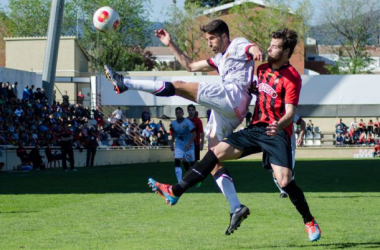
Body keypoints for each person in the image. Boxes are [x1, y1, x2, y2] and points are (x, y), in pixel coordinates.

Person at [147, 28, 321, 242]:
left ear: (286, 51)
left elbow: (291, 112)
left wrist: (279, 124)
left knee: (285, 181)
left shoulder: (292, 77)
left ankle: (309, 220)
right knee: (214, 153)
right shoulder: (262, 69)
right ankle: (175, 191)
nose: (269, 48)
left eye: (274, 46)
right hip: (256, 128)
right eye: (269, 44)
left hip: (276, 134)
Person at [104, 19, 264, 232]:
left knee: (178, 86)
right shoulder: (219, 58)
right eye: (207, 39)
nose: (209, 43)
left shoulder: (236, 45)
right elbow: (189, 66)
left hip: (233, 97)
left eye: (212, 38)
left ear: (225, 36)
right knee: (213, 157)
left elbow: (251, 47)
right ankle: (236, 207)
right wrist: (170, 43)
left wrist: (257, 51)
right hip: (231, 110)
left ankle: (125, 83)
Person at [274, 114, 306, 198]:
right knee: (274, 173)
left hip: (289, 146)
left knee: (288, 171)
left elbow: (302, 123)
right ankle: (283, 191)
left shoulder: (289, 113)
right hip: (275, 146)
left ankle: (291, 189)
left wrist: (301, 137)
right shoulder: (269, 113)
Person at [170, 107, 196, 182]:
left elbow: (194, 134)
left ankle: (197, 179)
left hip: (189, 145)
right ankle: (179, 182)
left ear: (183, 113)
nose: (178, 114)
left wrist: (189, 144)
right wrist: (172, 142)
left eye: (180, 112)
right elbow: (173, 133)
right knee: (177, 160)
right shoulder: (173, 123)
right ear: (175, 114)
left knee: (192, 163)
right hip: (179, 145)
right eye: (177, 113)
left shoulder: (187, 122)